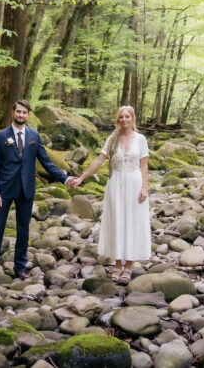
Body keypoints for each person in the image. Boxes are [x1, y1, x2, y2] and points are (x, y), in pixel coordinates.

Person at [0, 99, 78, 280]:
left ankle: (20, 267)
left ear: (28, 115)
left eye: (24, 113)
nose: (21, 115)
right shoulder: (0, 136)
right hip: (4, 189)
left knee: (23, 229)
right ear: (13, 113)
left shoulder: (34, 136)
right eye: (18, 112)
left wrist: (65, 178)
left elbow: (46, 162)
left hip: (26, 189)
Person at [71, 105, 151, 282]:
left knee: (132, 222)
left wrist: (144, 187)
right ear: (117, 119)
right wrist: (82, 177)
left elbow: (144, 165)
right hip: (115, 184)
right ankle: (117, 265)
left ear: (133, 118)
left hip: (134, 183)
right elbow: (99, 160)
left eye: (127, 116)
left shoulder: (140, 139)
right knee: (117, 222)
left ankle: (128, 266)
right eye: (121, 117)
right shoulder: (112, 139)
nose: (124, 120)